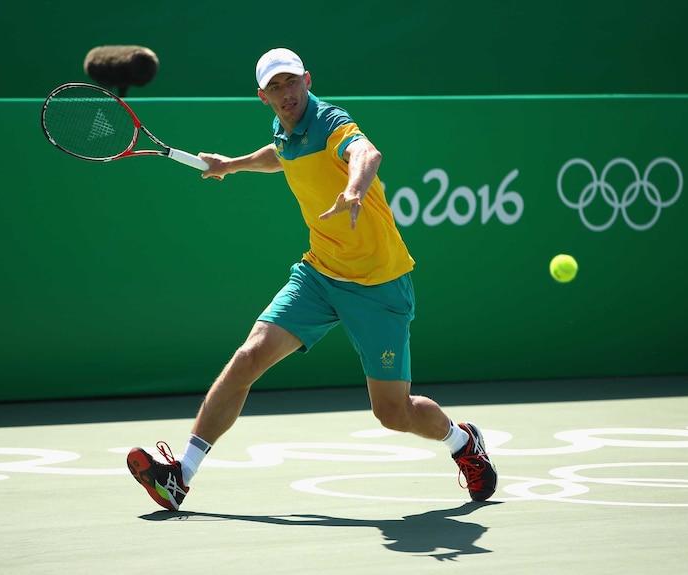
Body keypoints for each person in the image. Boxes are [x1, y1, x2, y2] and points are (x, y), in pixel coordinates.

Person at [127, 48, 497, 510]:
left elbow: (365, 150)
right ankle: (181, 474)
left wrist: (353, 189)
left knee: (393, 413)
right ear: (263, 97)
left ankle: (462, 443)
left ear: (307, 80)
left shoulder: (329, 121)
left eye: (291, 83)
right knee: (248, 358)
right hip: (320, 274)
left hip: (378, 285)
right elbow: (281, 155)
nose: (286, 94)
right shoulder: (284, 129)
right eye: (275, 88)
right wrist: (232, 164)